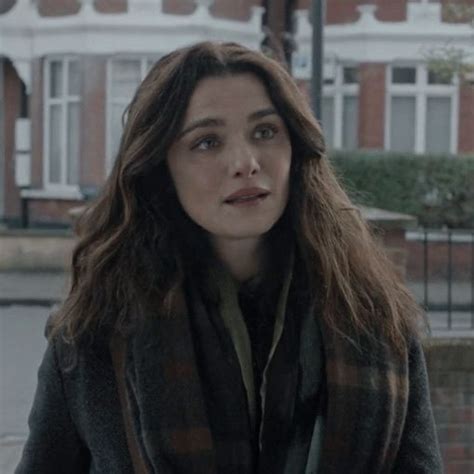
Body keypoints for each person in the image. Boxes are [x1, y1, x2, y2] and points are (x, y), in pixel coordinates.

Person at [16, 41, 442, 474]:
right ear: (160, 166)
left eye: (265, 132)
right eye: (206, 142)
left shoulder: (372, 318)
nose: (245, 162)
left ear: (295, 148)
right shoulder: (96, 332)